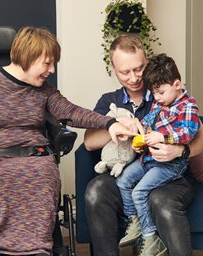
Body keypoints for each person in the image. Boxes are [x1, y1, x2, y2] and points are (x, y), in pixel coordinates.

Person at [0, 26, 138, 256]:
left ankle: (37, 250)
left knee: (44, 174)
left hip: (35, 155)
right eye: (47, 63)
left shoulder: (44, 91)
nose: (52, 69)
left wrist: (110, 123)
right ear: (27, 57)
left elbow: (72, 111)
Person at [84, 34, 203, 256]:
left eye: (139, 69)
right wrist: (116, 124)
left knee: (160, 198)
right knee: (96, 189)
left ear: (146, 60)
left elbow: (199, 136)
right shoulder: (109, 101)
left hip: (172, 176)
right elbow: (89, 143)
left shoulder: (165, 91)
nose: (134, 78)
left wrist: (178, 150)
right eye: (124, 72)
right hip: (134, 170)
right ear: (113, 69)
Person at [116, 53, 200, 256]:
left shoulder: (188, 106)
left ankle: (150, 237)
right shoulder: (159, 103)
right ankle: (135, 221)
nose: (157, 98)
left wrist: (161, 137)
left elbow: (187, 133)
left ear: (177, 84)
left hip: (170, 164)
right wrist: (141, 140)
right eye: (154, 93)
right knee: (123, 179)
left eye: (161, 92)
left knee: (139, 192)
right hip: (149, 158)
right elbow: (147, 124)